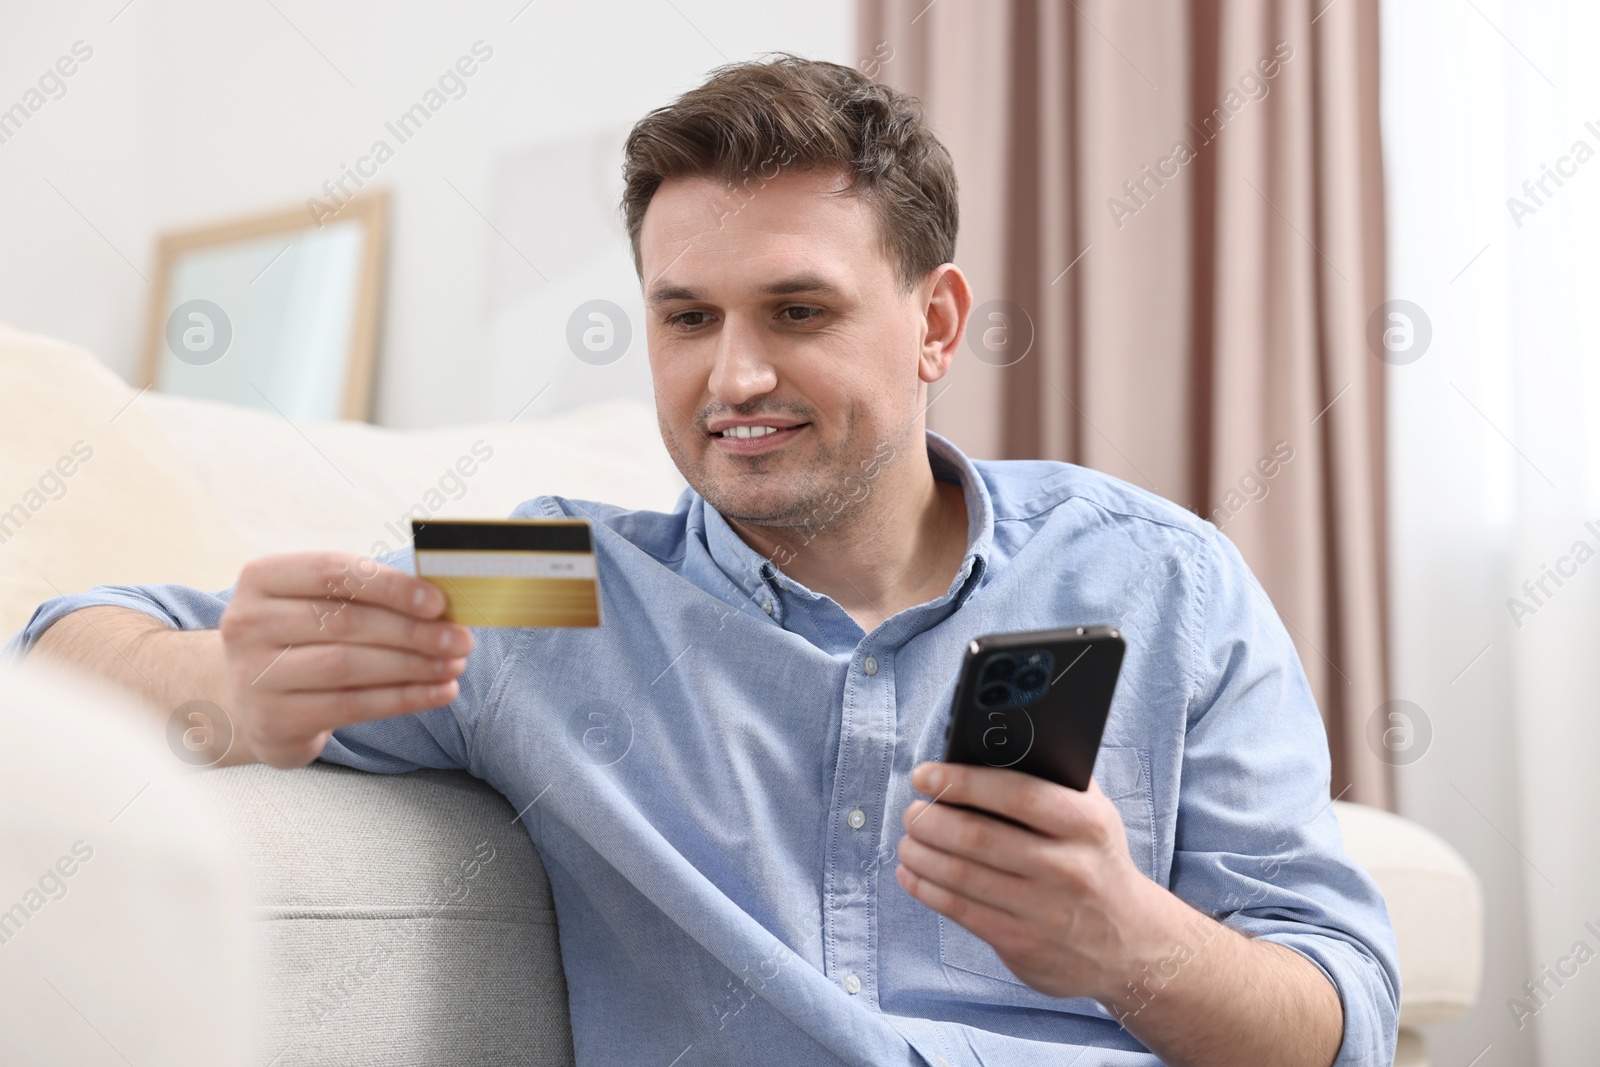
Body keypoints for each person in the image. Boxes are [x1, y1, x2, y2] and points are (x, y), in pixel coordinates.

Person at [8, 56, 1398, 1067]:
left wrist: (1126, 947)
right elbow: (60, 648)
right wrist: (227, 692)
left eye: (798, 310)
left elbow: (1344, 1013)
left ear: (937, 322)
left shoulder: (1161, 581)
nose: (734, 375)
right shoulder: (551, 582)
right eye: (685, 317)